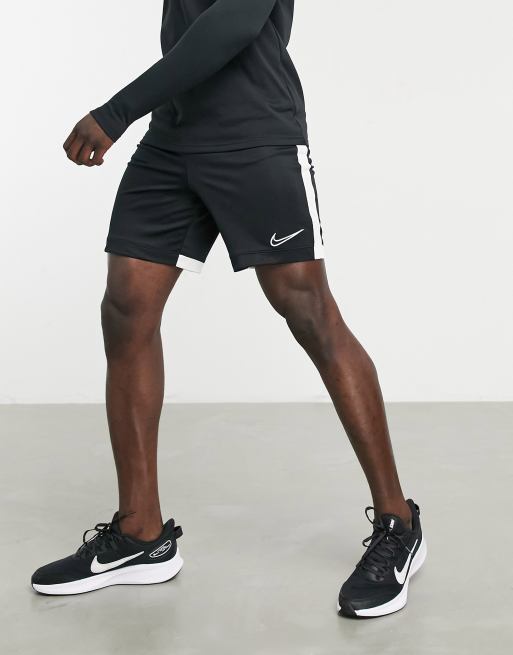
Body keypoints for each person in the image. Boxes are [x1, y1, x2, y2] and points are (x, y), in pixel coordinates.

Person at [31, 0, 426, 618]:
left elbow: (233, 24)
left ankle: (398, 524)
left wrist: (115, 111)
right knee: (127, 307)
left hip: (254, 137)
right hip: (172, 139)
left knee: (309, 313)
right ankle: (140, 534)